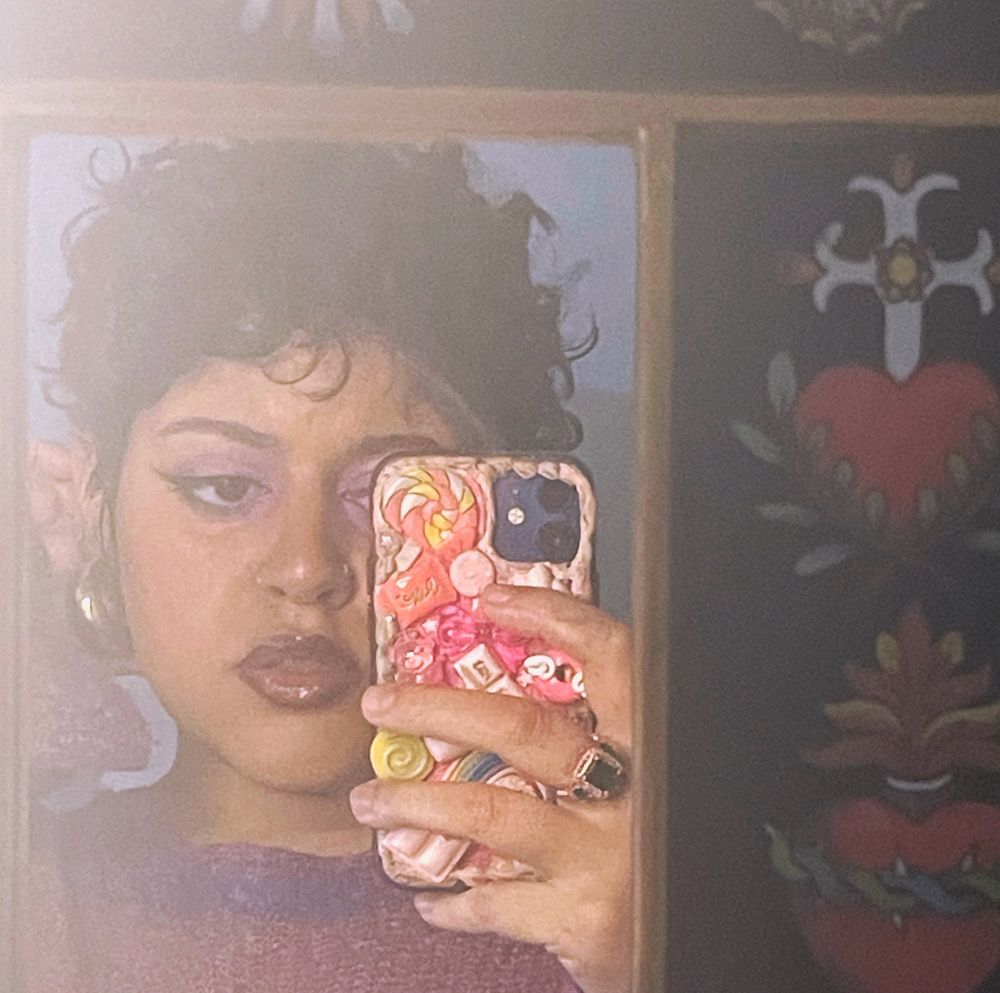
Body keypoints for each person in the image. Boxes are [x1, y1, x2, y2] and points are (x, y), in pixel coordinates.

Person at [25, 140, 633, 993]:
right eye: (224, 486)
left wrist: (665, 951)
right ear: (94, 504)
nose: (307, 568)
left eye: (387, 493)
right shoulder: (27, 888)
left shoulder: (609, 918)